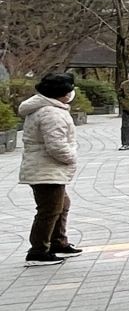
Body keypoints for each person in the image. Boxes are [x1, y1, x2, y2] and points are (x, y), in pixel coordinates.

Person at [18, 71, 81, 266]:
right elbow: (56, 145)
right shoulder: (52, 113)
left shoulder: (48, 108)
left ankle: (58, 242)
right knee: (49, 210)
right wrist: (72, 158)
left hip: (45, 168)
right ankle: (38, 250)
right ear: (61, 94)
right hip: (46, 169)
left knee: (62, 204)